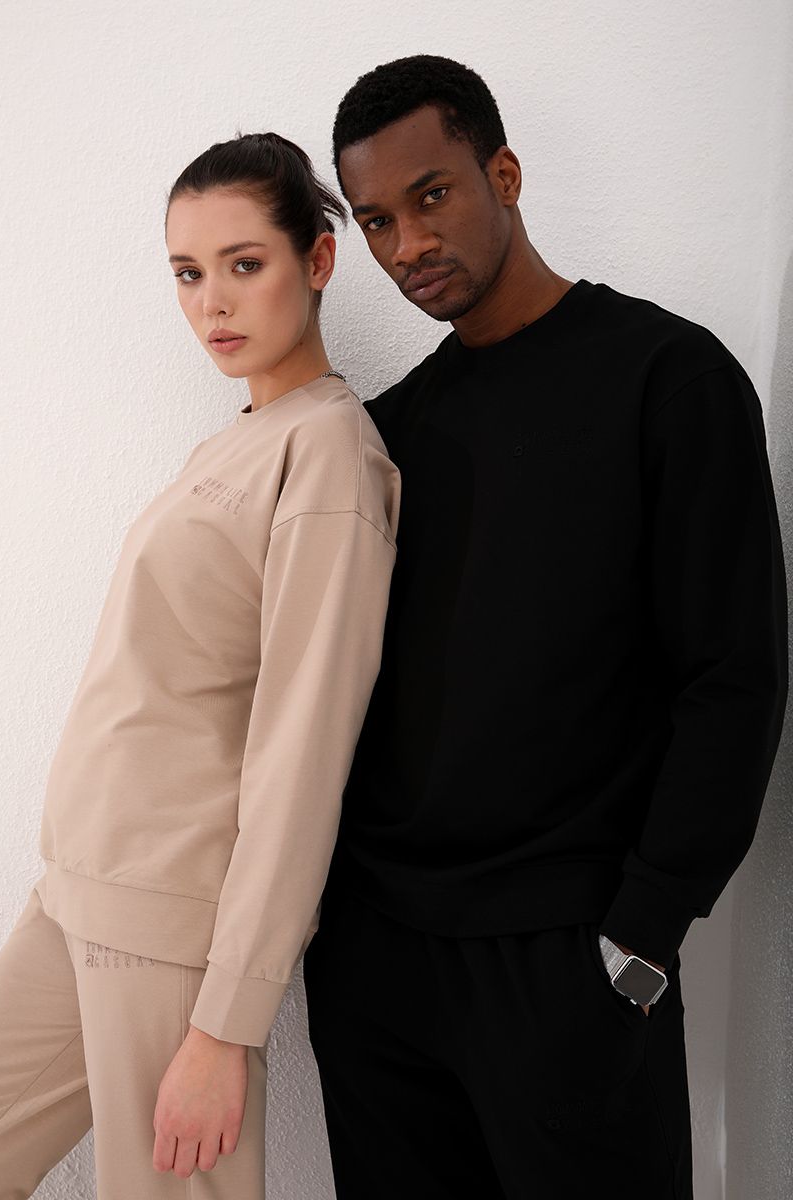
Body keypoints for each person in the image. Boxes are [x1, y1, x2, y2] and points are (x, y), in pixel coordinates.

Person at [301, 54, 789, 1199]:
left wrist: (641, 938)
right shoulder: (385, 436)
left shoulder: (666, 379)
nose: (408, 243)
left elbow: (733, 677)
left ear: (503, 174)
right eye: (376, 220)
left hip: (568, 962)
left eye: (431, 195)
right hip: (380, 968)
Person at [0, 130, 400, 1198]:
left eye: (243, 264)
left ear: (317, 259)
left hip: (170, 927)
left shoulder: (328, 455)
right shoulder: (235, 440)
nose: (211, 303)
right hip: (79, 891)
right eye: (187, 273)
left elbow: (301, 756)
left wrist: (226, 1024)